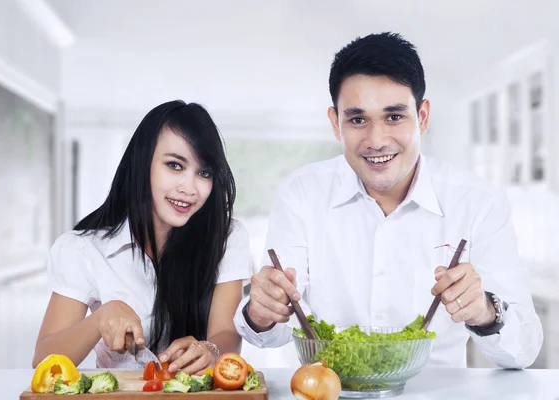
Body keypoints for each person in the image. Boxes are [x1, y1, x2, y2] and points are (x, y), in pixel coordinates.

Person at [233, 32, 543, 369]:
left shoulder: (478, 203)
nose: (376, 140)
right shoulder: (300, 195)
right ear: (335, 124)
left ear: (422, 117)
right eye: (357, 119)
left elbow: (524, 351)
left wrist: (485, 311)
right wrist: (261, 311)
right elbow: (272, 333)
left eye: (394, 117)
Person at [33, 100, 253, 374]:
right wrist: (101, 319)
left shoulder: (227, 237)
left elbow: (225, 334)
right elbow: (43, 360)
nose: (189, 188)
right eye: (175, 165)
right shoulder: (82, 248)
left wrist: (210, 350)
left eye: (204, 173)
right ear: (142, 164)